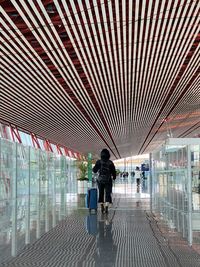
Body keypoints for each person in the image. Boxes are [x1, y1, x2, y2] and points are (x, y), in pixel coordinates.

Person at [93, 149, 116, 214]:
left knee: (101, 193)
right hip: (108, 180)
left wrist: (96, 168)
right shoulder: (110, 162)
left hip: (100, 180)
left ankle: (102, 206)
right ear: (108, 155)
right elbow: (113, 172)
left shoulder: (98, 162)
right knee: (107, 193)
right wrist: (114, 177)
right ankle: (106, 207)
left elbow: (94, 170)